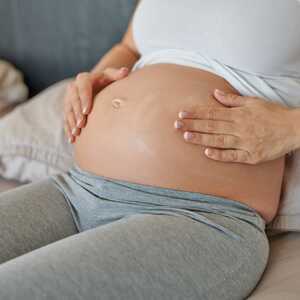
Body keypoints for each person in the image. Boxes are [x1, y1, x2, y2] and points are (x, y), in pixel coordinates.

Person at [0, 1, 300, 299]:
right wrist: (96, 77)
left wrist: (289, 127)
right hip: (76, 189)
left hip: (199, 217)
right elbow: (131, 47)